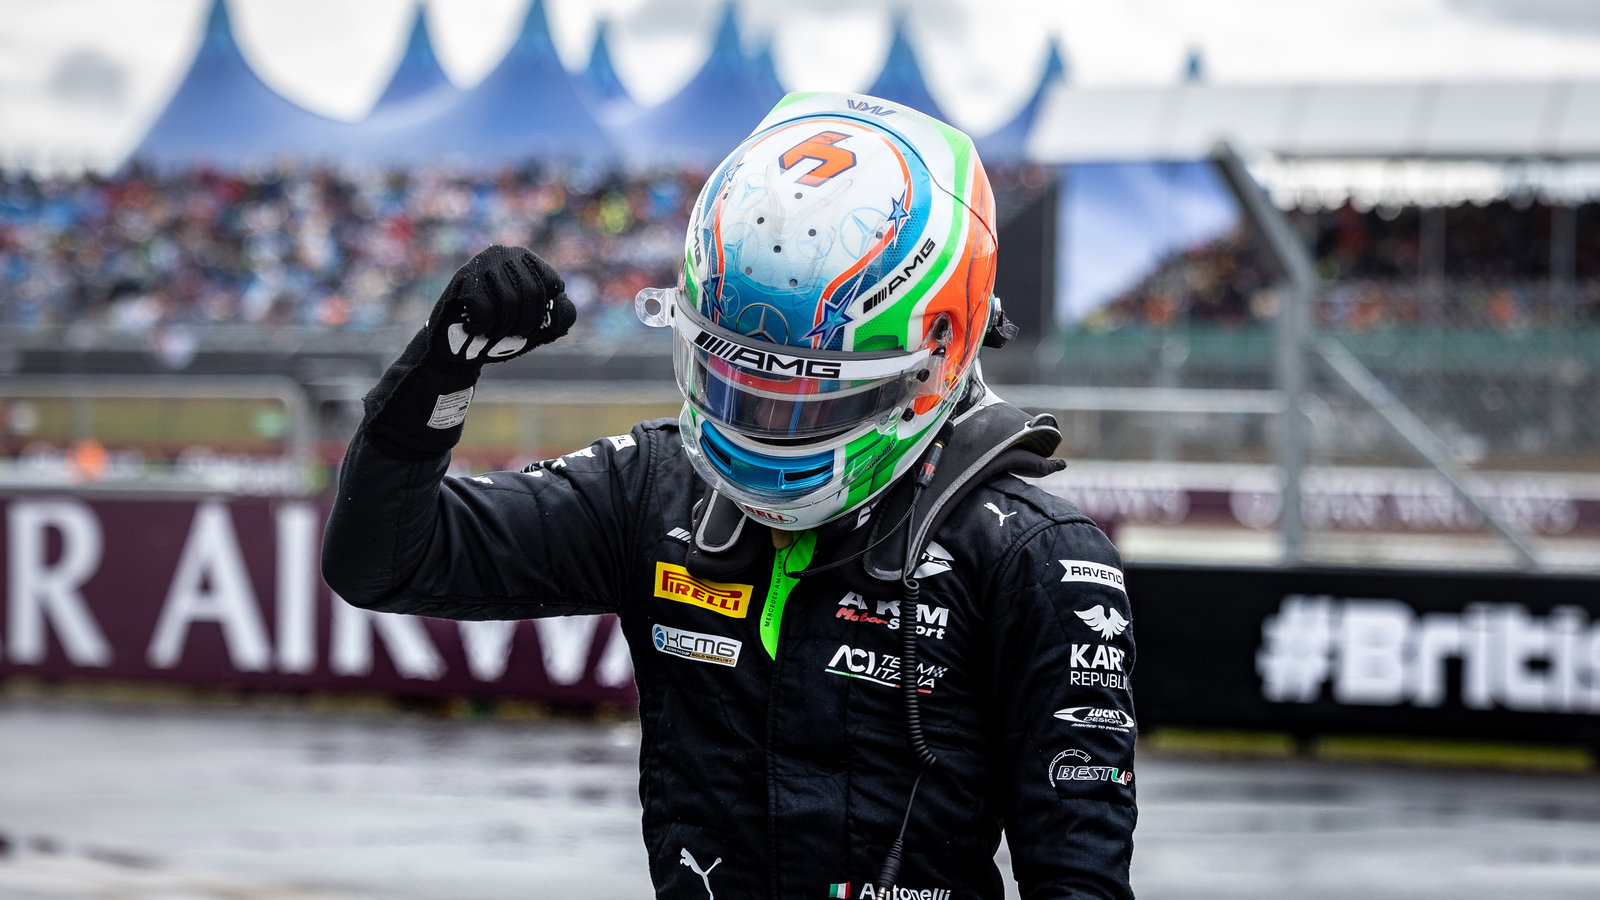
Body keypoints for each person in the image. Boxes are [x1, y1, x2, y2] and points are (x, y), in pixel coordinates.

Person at [322, 92, 1137, 899]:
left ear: (940, 347)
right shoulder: (654, 487)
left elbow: (1080, 880)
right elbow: (383, 559)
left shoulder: (1035, 555)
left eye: (815, 394)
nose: (768, 424)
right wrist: (443, 366)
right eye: (738, 381)